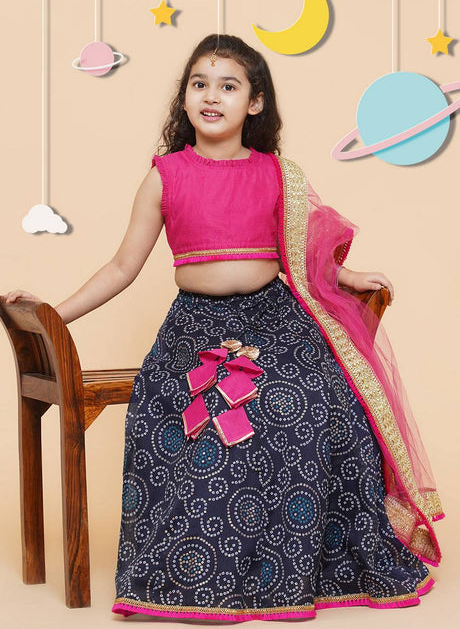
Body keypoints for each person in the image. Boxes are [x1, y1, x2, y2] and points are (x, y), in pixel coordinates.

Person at [4, 33, 443, 621]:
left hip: (275, 322)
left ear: (254, 103)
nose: (211, 96)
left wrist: (348, 275)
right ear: (184, 98)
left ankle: (289, 570)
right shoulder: (165, 176)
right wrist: (54, 312)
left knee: (315, 402)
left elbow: (301, 254)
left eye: (228, 86)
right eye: (199, 84)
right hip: (196, 328)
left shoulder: (277, 174)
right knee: (196, 419)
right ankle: (202, 576)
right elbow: (122, 267)